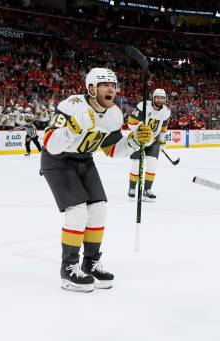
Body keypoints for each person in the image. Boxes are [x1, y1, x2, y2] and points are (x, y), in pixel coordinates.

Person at [41, 67, 154, 293]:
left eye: (113, 85)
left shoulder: (114, 114)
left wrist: (134, 141)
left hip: (85, 160)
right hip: (58, 161)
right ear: (91, 89)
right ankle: (69, 269)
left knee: (98, 210)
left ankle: (90, 263)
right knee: (77, 212)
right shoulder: (71, 106)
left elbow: (112, 150)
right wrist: (73, 128)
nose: (110, 88)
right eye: (104, 84)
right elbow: (50, 145)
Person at [126, 88, 171, 202]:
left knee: (153, 164)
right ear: (153, 97)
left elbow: (163, 129)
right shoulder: (143, 106)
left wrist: (161, 142)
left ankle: (147, 190)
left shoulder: (166, 112)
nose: (160, 100)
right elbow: (131, 122)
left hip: (154, 140)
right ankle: (132, 188)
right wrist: (141, 130)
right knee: (137, 164)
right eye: (158, 97)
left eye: (162, 98)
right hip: (139, 138)